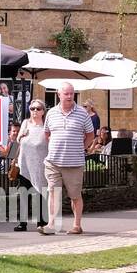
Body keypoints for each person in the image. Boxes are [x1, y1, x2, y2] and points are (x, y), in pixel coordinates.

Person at [42, 82, 95, 235]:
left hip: (74, 162)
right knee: (53, 192)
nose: (70, 96)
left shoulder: (82, 113)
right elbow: (46, 133)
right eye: (66, 93)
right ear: (59, 94)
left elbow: (91, 134)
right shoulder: (51, 113)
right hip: (53, 161)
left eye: (72, 93)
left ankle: (77, 225)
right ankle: (51, 224)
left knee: (75, 195)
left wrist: (81, 147)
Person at [14, 99, 50, 231]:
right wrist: (21, 135)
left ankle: (42, 222)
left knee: (41, 193)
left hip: (40, 164)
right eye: (32, 108)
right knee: (24, 194)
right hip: (24, 165)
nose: (35, 111)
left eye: (38, 108)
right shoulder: (25, 123)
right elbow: (18, 140)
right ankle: (22, 223)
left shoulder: (46, 126)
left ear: (43, 111)